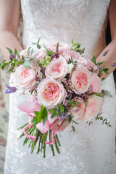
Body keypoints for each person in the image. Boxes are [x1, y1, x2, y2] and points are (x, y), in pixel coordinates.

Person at [0, 0, 116, 173]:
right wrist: (31, 76)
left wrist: (87, 84)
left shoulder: (89, 87)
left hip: (90, 94)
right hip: (30, 91)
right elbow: (5, 30)